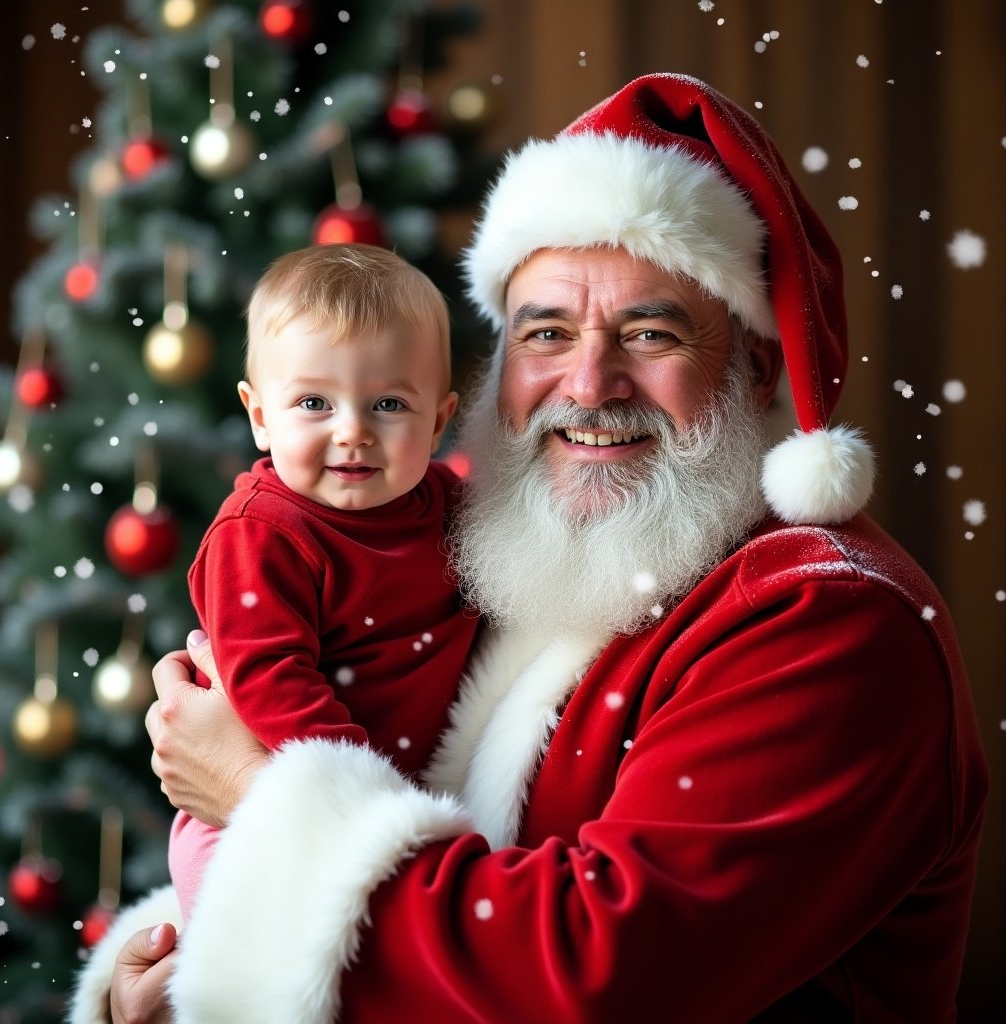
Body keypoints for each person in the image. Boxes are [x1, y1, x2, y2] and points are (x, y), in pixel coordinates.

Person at [69, 73, 988, 1024]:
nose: (589, 385)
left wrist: (262, 798)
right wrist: (184, 969)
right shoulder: (478, 534)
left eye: (651, 331)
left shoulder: (830, 620)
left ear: (755, 368)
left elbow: (590, 978)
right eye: (545, 332)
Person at [168, 243, 478, 920]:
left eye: (389, 404)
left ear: (439, 420)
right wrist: (367, 794)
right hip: (248, 820)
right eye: (314, 401)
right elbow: (271, 680)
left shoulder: (447, 504)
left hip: (404, 797)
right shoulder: (262, 535)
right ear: (258, 415)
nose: (353, 433)